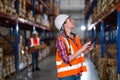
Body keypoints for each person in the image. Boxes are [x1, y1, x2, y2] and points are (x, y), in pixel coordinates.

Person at [54, 14, 93, 80]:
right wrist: (82, 48)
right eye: (70, 20)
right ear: (64, 24)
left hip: (77, 73)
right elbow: (66, 59)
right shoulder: (61, 40)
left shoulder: (75, 37)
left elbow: (79, 55)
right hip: (66, 76)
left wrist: (88, 49)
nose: (73, 20)